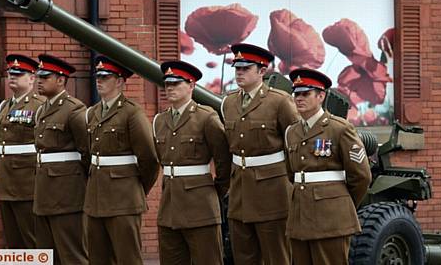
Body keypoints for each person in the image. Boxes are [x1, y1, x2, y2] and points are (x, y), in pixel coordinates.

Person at [220, 43, 299, 264]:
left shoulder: (279, 102)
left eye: (246, 68)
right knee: (243, 256)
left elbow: (296, 145)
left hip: (272, 193)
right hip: (240, 193)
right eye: (237, 68)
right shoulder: (229, 103)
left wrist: (291, 186)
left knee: (277, 256)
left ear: (262, 71)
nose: (239, 73)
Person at [285, 68, 371, 265]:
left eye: (305, 93)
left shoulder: (339, 128)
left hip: (331, 218)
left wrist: (341, 204)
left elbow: (361, 176)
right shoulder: (292, 132)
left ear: (321, 96)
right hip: (299, 217)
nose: (299, 98)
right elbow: (293, 174)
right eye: (296, 94)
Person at [153, 60, 231, 265]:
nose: (170, 88)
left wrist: (213, 193)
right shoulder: (160, 121)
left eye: (176, 84)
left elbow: (224, 163)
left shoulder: (206, 118)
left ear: (191, 86)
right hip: (169, 207)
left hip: (201, 206)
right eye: (167, 84)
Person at [84, 56, 159, 265]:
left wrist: (136, 189)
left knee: (128, 258)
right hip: (96, 198)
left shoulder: (131, 112)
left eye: (106, 77)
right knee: (97, 258)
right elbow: (89, 156)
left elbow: (150, 159)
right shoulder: (93, 113)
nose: (99, 80)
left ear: (119, 81)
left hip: (124, 199)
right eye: (98, 76)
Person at [33, 54, 89, 264]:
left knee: (72, 254)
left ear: (61, 79)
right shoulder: (41, 110)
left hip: (67, 195)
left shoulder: (74, 109)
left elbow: (88, 152)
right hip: (44, 193)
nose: (39, 80)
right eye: (38, 76)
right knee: (46, 256)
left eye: (45, 77)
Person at [0, 54, 44, 249]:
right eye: (10, 73)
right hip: (6, 182)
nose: (12, 77)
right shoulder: (4, 106)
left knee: (32, 239)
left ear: (32, 78)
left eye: (19, 73)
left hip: (27, 185)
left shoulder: (39, 106)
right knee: (14, 242)